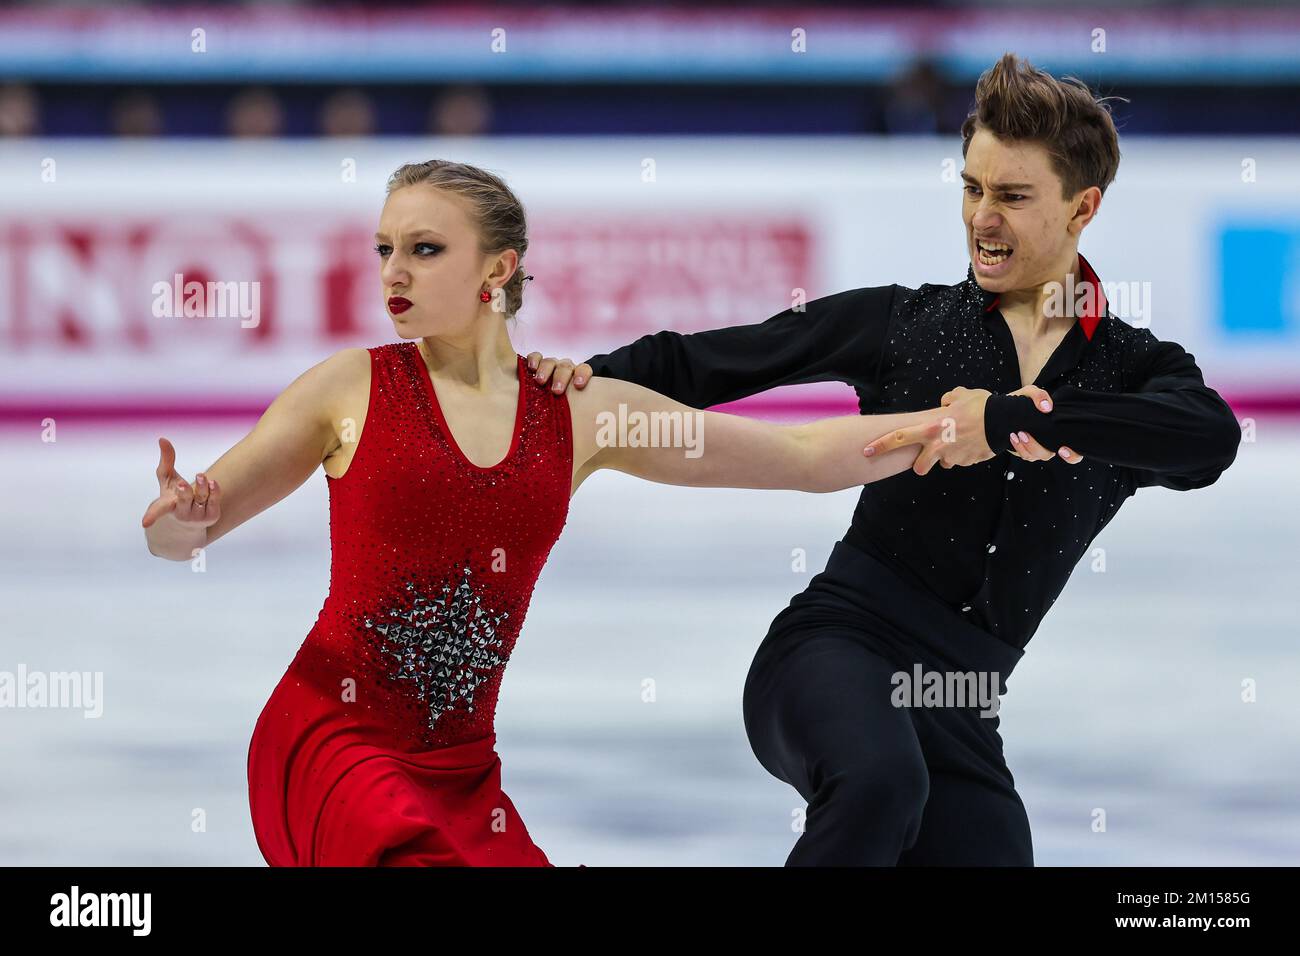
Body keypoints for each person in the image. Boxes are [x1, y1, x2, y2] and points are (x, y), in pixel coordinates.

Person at [139, 158, 1046, 867]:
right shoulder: (350, 387)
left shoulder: (579, 412)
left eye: (424, 248)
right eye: (384, 249)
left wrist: (972, 423)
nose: (393, 271)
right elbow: (191, 531)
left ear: (499, 268)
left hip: (461, 775)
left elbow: (802, 458)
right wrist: (181, 516)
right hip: (330, 744)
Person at [527, 53, 1242, 865]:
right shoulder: (911, 325)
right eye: (971, 189)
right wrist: (572, 380)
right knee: (879, 784)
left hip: (962, 703)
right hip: (834, 652)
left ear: (1083, 208)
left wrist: (1008, 417)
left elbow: (1205, 439)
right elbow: (713, 361)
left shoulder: (1136, 370)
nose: (982, 218)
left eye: (1011, 196)